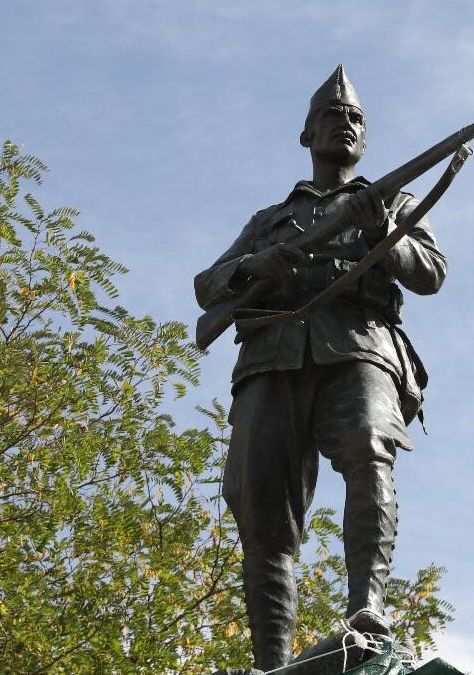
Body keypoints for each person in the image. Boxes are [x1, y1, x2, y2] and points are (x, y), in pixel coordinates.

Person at [194, 65, 447, 671]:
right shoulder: (269, 218)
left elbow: (430, 273)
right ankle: (272, 661)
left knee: (368, 447)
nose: (347, 123)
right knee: (260, 503)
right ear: (306, 134)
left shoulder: (392, 200)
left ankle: (367, 609)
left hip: (358, 345)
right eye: (334, 116)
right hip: (271, 356)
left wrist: (382, 224)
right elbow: (208, 287)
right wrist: (259, 265)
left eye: (356, 117)